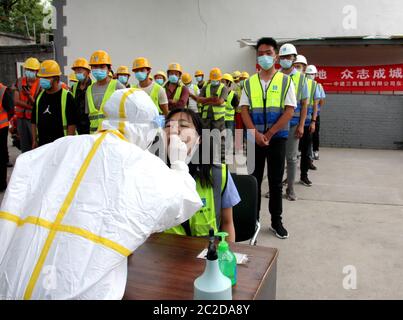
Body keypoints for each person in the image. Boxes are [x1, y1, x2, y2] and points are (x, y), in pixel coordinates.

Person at [0, 88, 202, 299]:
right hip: (78, 288)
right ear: (145, 129)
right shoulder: (139, 163)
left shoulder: (60, 147)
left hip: (13, 280)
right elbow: (184, 200)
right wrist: (179, 163)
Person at [240, 37, 296, 239]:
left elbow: (289, 111)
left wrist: (270, 133)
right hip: (254, 139)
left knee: (275, 181)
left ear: (276, 55)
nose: (264, 57)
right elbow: (244, 110)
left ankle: (276, 221)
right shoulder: (249, 82)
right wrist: (254, 133)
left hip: (277, 139)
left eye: (268, 53)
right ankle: (252, 220)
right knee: (253, 180)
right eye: (260, 53)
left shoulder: (285, 81)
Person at [163, 108, 239, 241]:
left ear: (200, 138)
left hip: (207, 255)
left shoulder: (218, 173)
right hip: (164, 255)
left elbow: (227, 223)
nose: (174, 131)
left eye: (184, 125)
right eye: (169, 125)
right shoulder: (151, 174)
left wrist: (227, 255)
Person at [278, 43, 309, 201]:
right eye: (282, 57)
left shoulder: (301, 78)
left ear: (294, 58)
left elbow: (304, 104)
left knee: (291, 158)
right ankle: (275, 188)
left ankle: (290, 189)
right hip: (276, 123)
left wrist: (302, 125)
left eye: (288, 57)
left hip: (294, 123)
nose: (285, 60)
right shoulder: (275, 75)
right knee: (276, 157)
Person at [31, 60, 77, 148]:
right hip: (42, 145)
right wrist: (34, 140)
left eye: (46, 78)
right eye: (41, 78)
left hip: (61, 145)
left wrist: (68, 144)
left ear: (56, 78)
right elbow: (34, 122)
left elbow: (72, 124)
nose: (42, 81)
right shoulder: (39, 97)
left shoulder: (67, 97)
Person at [86, 50, 125, 134]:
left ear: (109, 69)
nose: (98, 70)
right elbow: (88, 118)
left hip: (112, 137)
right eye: (95, 67)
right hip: (94, 138)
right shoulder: (89, 90)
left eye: (102, 66)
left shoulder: (117, 86)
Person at [197, 68, 228, 163]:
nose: (214, 80)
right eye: (213, 79)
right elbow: (200, 99)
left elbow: (221, 101)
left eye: (216, 79)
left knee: (219, 140)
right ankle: (206, 161)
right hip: (206, 118)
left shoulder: (223, 88)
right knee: (206, 140)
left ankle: (221, 161)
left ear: (219, 79)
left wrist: (207, 101)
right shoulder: (206, 87)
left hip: (218, 119)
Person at [13, 57, 41, 153]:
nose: (29, 72)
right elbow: (16, 101)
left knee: (36, 145)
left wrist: (29, 96)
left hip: (34, 120)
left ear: (37, 71)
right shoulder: (20, 81)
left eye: (32, 70)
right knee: (24, 146)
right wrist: (31, 106)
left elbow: (38, 104)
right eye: (28, 69)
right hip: (21, 119)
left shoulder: (40, 84)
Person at [299, 64, 320, 186]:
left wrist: (313, 121)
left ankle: (304, 175)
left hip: (307, 123)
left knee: (306, 151)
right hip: (293, 122)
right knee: (291, 155)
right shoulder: (296, 81)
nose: (311, 76)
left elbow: (316, 105)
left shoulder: (314, 85)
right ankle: (288, 177)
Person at [71, 58, 94, 135]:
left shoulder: (93, 86)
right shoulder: (74, 87)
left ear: (88, 72)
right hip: (78, 127)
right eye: (76, 71)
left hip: (90, 125)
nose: (78, 73)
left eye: (80, 70)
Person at [0, 84, 14, 193]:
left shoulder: (3, 89)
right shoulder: (3, 89)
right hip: (2, 126)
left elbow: (10, 109)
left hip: (1, 127)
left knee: (1, 155)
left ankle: (2, 183)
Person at [222, 73, 238, 154]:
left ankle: (227, 150)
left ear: (228, 83)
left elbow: (236, 106)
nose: (222, 83)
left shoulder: (233, 95)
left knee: (229, 135)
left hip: (230, 119)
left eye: (223, 81)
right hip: (221, 118)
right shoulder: (220, 93)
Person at [312, 82, 326, 160]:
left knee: (315, 133)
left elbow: (321, 101)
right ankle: (300, 151)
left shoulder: (319, 86)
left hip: (316, 114)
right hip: (305, 113)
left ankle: (315, 151)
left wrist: (316, 106)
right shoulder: (303, 82)